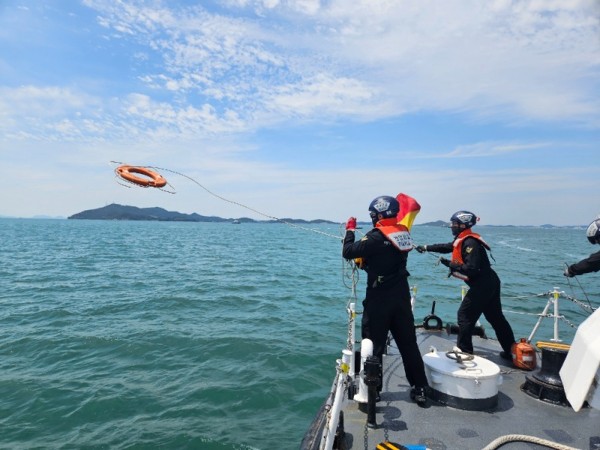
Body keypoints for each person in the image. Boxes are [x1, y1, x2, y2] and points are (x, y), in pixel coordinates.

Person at [342, 195, 429, 406]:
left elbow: (348, 252)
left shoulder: (374, 237)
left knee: (374, 345)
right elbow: (388, 258)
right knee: (408, 344)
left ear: (378, 215)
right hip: (401, 296)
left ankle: (374, 390)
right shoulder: (404, 233)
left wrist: (350, 230)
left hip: (379, 298)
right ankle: (419, 388)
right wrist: (368, 264)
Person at [415, 211, 516, 361]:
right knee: (496, 318)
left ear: (463, 225)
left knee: (464, 316)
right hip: (490, 282)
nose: (452, 227)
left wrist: (450, 264)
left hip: (483, 285)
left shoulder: (470, 243)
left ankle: (465, 351)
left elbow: (472, 270)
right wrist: (426, 247)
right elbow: (448, 247)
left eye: (455, 224)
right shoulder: (463, 239)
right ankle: (510, 351)